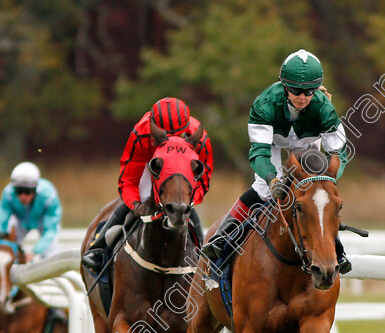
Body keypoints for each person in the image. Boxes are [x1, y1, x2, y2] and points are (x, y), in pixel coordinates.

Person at [199, 49, 352, 273]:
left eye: (309, 91)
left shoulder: (324, 108)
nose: (302, 97)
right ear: (284, 86)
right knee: (264, 190)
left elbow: (340, 154)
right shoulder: (264, 104)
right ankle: (222, 238)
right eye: (296, 90)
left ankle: (337, 250)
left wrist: (328, 178)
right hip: (273, 143)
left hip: (308, 145)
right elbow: (259, 154)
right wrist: (272, 179)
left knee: (318, 194)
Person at [80, 97, 213, 272]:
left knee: (182, 203)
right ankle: (98, 247)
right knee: (142, 197)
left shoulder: (199, 136)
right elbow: (128, 180)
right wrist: (135, 204)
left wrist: (190, 200)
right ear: (155, 129)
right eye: (167, 136)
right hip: (150, 163)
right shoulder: (141, 132)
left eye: (177, 136)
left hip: (181, 171)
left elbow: (203, 178)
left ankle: (203, 255)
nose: (172, 142)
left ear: (186, 128)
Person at [0, 162, 62, 261]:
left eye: (27, 192)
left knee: (50, 254)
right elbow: (0, 216)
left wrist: (34, 252)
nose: (22, 197)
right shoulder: (8, 193)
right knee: (7, 245)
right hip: (21, 219)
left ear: (35, 189)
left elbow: (50, 230)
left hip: (43, 221)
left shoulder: (48, 195)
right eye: (19, 191)